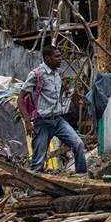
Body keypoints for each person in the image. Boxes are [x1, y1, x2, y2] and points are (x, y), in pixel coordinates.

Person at [19, 45, 88, 174]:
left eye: (60, 56)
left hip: (58, 120)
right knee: (38, 161)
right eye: (57, 56)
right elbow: (20, 99)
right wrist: (27, 121)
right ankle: (34, 190)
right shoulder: (36, 74)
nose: (60, 59)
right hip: (42, 123)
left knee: (78, 144)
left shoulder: (57, 73)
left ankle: (82, 178)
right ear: (47, 58)